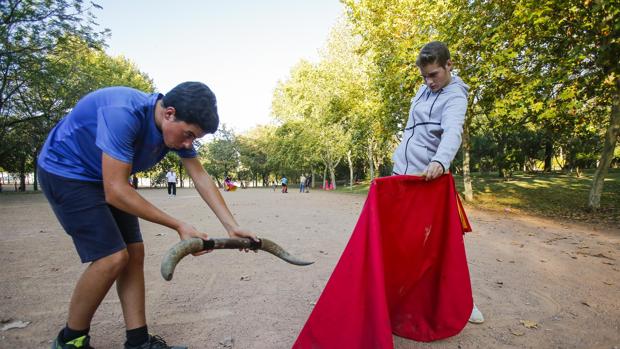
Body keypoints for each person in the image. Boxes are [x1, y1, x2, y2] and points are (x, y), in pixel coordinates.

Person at [37, 81, 257, 349]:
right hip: (67, 173)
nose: (188, 143)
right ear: (169, 113)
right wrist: (178, 224)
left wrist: (232, 226)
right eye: (188, 134)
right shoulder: (122, 113)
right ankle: (70, 341)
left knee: (134, 252)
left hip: (107, 176)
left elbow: (199, 175)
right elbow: (115, 191)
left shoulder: (174, 128)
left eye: (194, 139)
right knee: (111, 258)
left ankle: (138, 342)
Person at [391, 41, 484, 324]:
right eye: (425, 76)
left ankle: (463, 302)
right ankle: (397, 294)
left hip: (428, 179)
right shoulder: (421, 91)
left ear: (449, 65)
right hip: (401, 177)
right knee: (399, 240)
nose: (429, 81)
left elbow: (452, 132)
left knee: (440, 243)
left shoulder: (456, 96)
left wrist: (440, 161)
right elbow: (411, 132)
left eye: (434, 74)